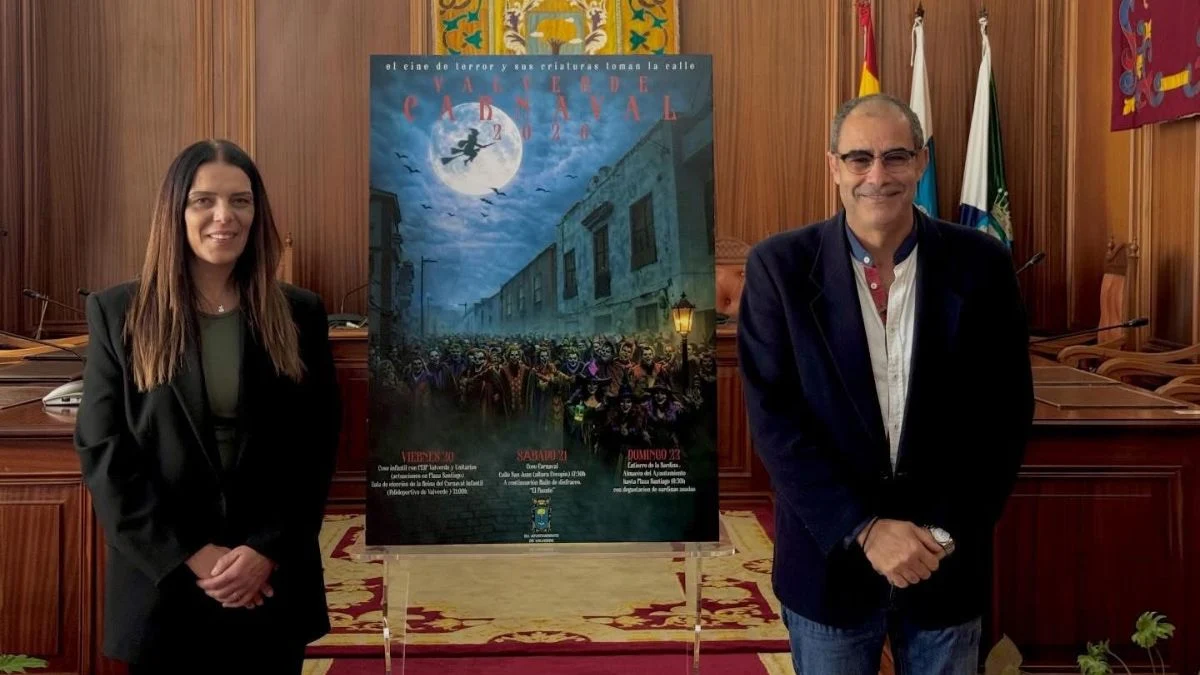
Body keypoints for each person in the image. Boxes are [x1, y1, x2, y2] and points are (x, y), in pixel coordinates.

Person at [737, 94, 1033, 674]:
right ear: (834, 166)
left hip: (943, 563)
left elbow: (1003, 417)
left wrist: (941, 535)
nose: (878, 175)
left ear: (921, 162)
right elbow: (775, 421)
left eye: (896, 157)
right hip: (829, 565)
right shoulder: (779, 267)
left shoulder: (982, 264)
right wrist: (865, 531)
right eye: (859, 158)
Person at [75, 139, 341, 673]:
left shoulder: (300, 313)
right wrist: (193, 554)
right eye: (204, 201)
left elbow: (315, 448)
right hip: (164, 583)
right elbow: (105, 453)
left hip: (268, 582)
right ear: (176, 211)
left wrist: (264, 550)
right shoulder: (119, 312)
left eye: (241, 201)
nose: (225, 216)